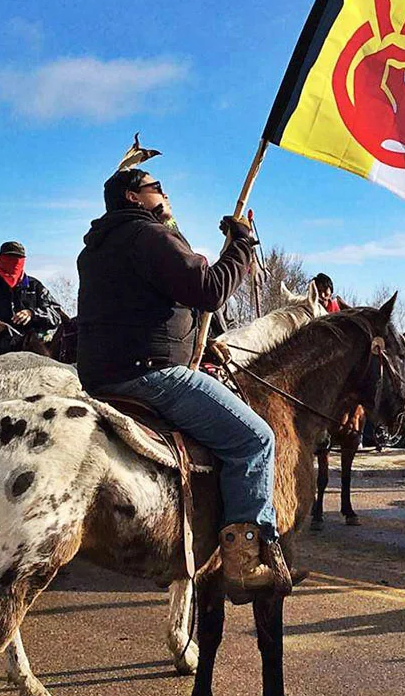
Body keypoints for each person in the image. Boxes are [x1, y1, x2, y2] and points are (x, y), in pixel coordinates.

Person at [76, 166, 287, 600]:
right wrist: (242, 245)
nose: (165, 193)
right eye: (157, 188)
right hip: (150, 374)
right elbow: (207, 290)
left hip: (102, 377)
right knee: (255, 439)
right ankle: (244, 560)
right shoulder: (147, 236)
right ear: (134, 197)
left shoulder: (97, 247)